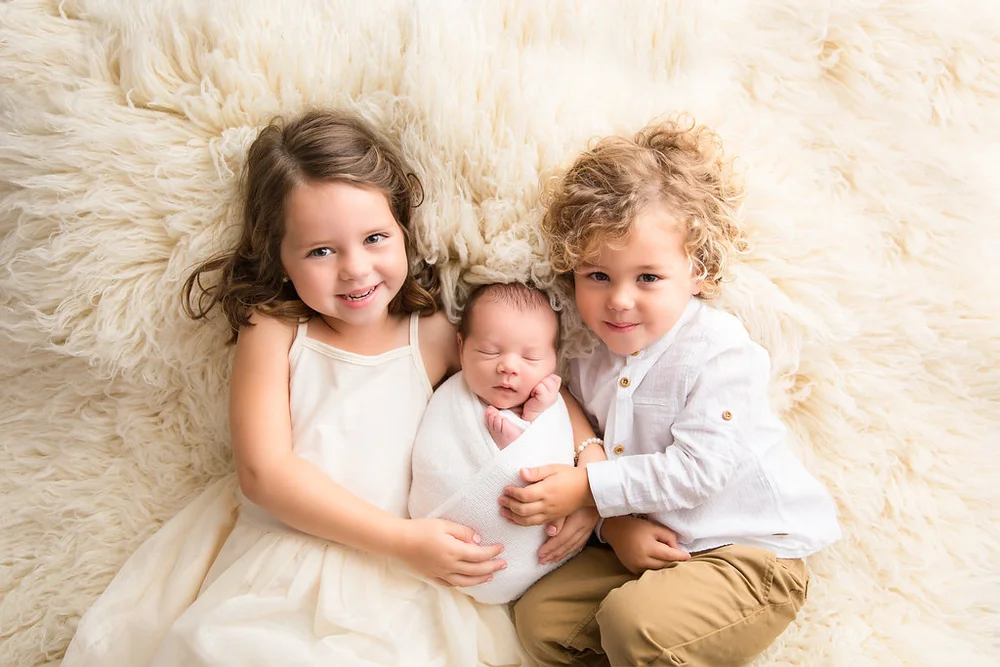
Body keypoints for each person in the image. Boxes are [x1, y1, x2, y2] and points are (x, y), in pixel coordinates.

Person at [62, 109, 534, 667]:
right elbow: (264, 473)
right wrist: (401, 540)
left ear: (404, 229)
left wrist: (589, 470)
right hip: (293, 559)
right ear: (280, 258)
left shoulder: (431, 335)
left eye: (375, 238)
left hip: (406, 579)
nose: (356, 270)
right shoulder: (276, 331)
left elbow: (529, 385)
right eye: (320, 251)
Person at [504, 116, 842, 667]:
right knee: (541, 619)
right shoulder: (590, 356)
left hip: (750, 557)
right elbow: (570, 411)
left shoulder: (718, 351)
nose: (618, 301)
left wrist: (587, 489)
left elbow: (698, 470)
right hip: (659, 546)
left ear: (698, 271)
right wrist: (614, 523)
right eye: (597, 276)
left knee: (633, 626)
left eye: (648, 278)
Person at [409, 282, 605, 605]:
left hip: (537, 556)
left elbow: (554, 461)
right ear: (461, 347)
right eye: (489, 351)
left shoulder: (553, 405)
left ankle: (515, 436)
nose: (508, 367)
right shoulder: (452, 400)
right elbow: (434, 461)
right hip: (439, 541)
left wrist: (531, 425)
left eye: (530, 357)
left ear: (553, 361)